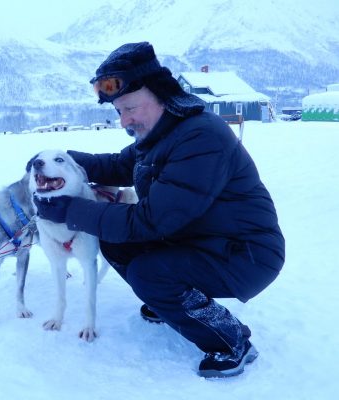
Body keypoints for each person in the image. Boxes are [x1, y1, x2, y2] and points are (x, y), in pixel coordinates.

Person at [32, 42, 285, 378]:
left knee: (148, 273)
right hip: (202, 238)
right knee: (117, 243)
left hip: (246, 252)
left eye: (130, 108)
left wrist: (71, 211)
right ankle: (174, 302)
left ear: (160, 94)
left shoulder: (200, 138)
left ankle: (232, 343)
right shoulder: (161, 135)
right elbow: (119, 165)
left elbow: (151, 221)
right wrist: (58, 162)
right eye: (119, 112)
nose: (125, 120)